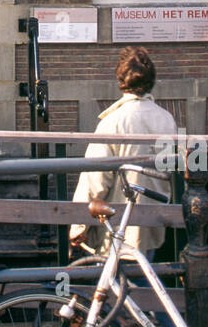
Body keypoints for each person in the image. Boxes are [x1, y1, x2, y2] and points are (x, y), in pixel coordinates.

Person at [69, 45, 176, 258]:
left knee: (113, 284)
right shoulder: (166, 119)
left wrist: (78, 226)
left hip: (117, 228)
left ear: (121, 80)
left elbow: (96, 181)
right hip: (152, 225)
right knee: (142, 280)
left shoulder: (113, 121)